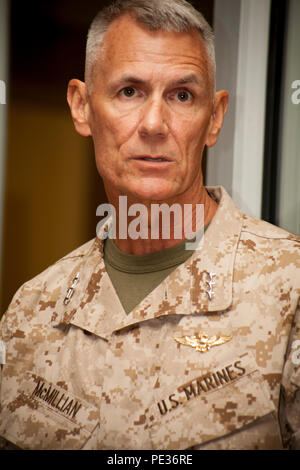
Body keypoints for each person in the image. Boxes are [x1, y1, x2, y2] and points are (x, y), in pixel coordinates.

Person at [0, 0, 299, 451]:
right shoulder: (31, 312)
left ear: (214, 118)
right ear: (81, 107)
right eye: (129, 92)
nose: (155, 124)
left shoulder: (290, 289)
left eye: (182, 96)